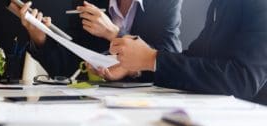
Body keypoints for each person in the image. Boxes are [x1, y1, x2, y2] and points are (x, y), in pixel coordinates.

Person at [96, 0, 267, 101]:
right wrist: (136, 68)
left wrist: (151, 59)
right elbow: (194, 58)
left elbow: (243, 79)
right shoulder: (221, 4)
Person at [7, 0, 182, 81]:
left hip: (149, 101)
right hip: (98, 103)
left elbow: (170, 57)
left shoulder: (165, 2)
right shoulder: (89, 2)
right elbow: (69, 65)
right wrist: (40, 38)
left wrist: (114, 33)